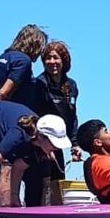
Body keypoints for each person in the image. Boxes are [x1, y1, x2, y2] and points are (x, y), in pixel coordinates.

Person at [0, 25, 51, 208]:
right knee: (9, 166)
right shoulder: (23, 61)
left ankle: (7, 216)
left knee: (7, 166)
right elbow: (4, 92)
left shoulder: (2, 57)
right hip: (14, 121)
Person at [32, 41, 82, 205]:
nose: (52, 62)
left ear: (64, 61)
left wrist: (75, 144)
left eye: (56, 58)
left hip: (59, 143)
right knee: (40, 183)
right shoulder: (39, 84)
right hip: (40, 142)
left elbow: (72, 116)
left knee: (57, 182)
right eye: (48, 58)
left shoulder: (71, 85)